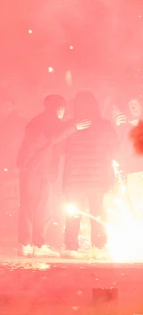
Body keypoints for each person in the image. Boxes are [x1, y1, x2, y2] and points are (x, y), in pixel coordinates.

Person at [60, 91, 116, 258]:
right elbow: (116, 147)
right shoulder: (105, 125)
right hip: (98, 179)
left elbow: (59, 148)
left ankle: (71, 247)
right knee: (98, 213)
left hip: (74, 179)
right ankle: (98, 247)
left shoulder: (70, 126)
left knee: (73, 213)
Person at [16, 94, 73, 257]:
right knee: (42, 207)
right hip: (41, 170)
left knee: (27, 206)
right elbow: (55, 140)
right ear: (59, 108)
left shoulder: (36, 120)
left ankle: (24, 244)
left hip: (29, 168)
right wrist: (74, 126)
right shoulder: (51, 122)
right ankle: (38, 244)